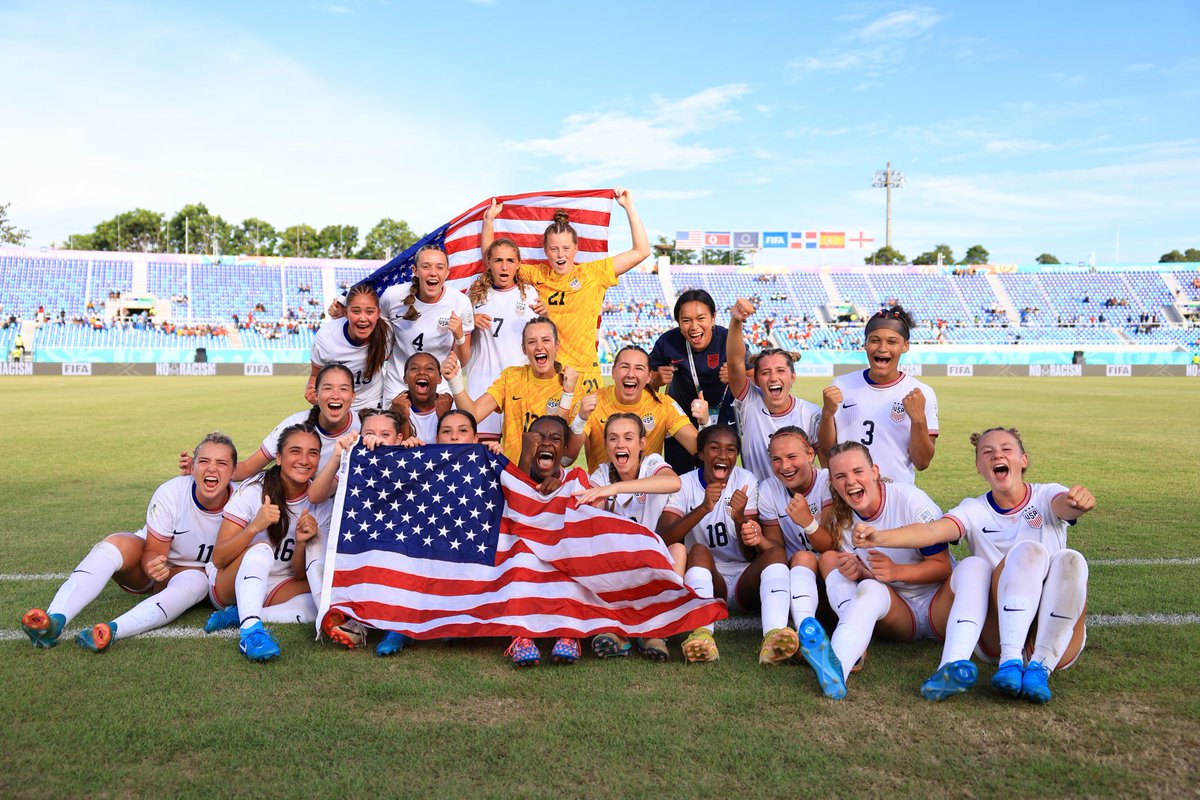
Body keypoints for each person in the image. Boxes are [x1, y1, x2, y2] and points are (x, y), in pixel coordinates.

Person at [852, 427, 1095, 703]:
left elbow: (1064, 506)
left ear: (1023, 460)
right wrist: (879, 536)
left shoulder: (1046, 494)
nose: (997, 456)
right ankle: (1011, 662)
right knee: (1029, 552)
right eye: (987, 452)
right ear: (979, 467)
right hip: (999, 634)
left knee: (1071, 560)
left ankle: (1041, 667)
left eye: (1006, 449)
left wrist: (1078, 503)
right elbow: (933, 532)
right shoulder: (975, 509)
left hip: (1053, 636)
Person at [21, 433, 237, 651]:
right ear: (192, 467)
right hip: (154, 562)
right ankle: (54, 619)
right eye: (204, 461)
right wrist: (152, 565)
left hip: (198, 575)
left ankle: (112, 630)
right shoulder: (171, 492)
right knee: (114, 544)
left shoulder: (245, 500)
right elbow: (153, 550)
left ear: (235, 471)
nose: (211, 468)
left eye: (221, 463)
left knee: (195, 583)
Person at [794, 442, 951, 700]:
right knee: (868, 587)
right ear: (832, 482)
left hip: (939, 605)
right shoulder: (842, 521)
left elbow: (943, 568)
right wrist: (862, 573)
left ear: (875, 471)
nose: (850, 481)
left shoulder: (909, 499)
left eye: (858, 471)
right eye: (840, 476)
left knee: (970, 568)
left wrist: (896, 571)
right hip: (900, 616)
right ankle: (837, 668)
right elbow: (878, 581)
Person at [482, 189, 651, 395]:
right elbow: (494, 261)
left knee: (584, 427)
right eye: (554, 249)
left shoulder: (593, 274)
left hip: (584, 374)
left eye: (565, 248)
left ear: (575, 249)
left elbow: (641, 251)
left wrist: (629, 207)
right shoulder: (536, 274)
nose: (560, 255)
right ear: (545, 251)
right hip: (549, 375)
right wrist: (489, 221)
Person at [657, 426, 796, 665]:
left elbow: (749, 552)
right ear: (700, 454)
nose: (723, 455)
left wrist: (740, 518)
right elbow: (663, 538)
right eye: (714, 448)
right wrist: (703, 508)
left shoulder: (745, 481)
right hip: (709, 578)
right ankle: (702, 635)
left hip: (745, 578)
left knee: (775, 553)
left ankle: (774, 635)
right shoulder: (685, 484)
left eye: (731, 450)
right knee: (698, 549)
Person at [204, 424, 332, 662]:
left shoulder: (320, 500)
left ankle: (241, 614)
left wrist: (303, 543)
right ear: (279, 457)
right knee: (262, 550)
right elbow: (219, 558)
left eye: (312, 453)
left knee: (322, 598)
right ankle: (250, 632)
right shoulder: (254, 489)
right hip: (229, 583)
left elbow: (299, 574)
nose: (304, 460)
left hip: (278, 583)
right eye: (295, 451)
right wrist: (255, 526)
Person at [573, 412, 684, 661]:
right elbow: (590, 521)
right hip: (618, 567)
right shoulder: (601, 474)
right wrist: (599, 500)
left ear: (641, 444)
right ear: (606, 445)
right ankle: (617, 631)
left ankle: (655, 631)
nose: (620, 444)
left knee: (678, 550)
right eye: (612, 438)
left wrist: (616, 488)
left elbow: (673, 482)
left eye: (628, 438)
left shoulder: (652, 463)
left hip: (652, 565)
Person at [503, 415, 589, 667]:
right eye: (538, 437)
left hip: (559, 557)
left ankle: (568, 634)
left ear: (564, 449)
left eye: (555, 439)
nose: (545, 443)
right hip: (524, 559)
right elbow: (513, 501)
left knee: (572, 568)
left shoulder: (575, 478)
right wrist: (525, 458)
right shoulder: (511, 473)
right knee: (521, 562)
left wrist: (561, 486)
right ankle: (522, 636)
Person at [818, 305, 938, 484]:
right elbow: (828, 451)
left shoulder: (920, 393)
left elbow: (922, 462)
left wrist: (918, 419)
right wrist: (827, 414)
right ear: (865, 344)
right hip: (850, 492)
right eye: (874, 340)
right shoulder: (841, 385)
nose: (882, 348)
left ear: (905, 346)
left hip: (896, 496)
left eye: (892, 342)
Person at [443, 317, 578, 461]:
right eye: (532, 342)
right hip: (512, 477)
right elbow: (473, 415)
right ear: (524, 349)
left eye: (546, 340)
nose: (539, 346)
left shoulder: (570, 385)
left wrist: (568, 394)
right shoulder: (511, 377)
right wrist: (454, 381)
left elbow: (566, 457)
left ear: (557, 345)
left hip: (547, 480)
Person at [727, 298, 821, 483]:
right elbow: (735, 362)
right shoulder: (750, 402)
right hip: (758, 505)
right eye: (765, 372)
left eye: (780, 371)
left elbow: (825, 462)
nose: (773, 378)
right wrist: (736, 321)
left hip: (798, 503)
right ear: (755, 379)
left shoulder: (811, 414)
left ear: (792, 376)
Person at [755, 427, 836, 639]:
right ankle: (805, 634)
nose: (785, 466)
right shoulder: (769, 489)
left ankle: (806, 632)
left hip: (833, 575)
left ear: (810, 455)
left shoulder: (828, 481)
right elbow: (776, 548)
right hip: (797, 578)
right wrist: (759, 539)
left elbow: (831, 545)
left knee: (814, 557)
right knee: (802, 557)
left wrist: (808, 522)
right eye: (776, 459)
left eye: (792, 457)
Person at [566, 345, 697, 472]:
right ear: (613, 372)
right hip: (602, 489)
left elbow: (698, 449)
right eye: (624, 367)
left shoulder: (664, 405)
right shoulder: (592, 403)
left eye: (639, 368)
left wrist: (704, 423)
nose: (630, 374)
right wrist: (581, 419)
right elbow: (566, 459)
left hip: (646, 491)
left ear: (649, 376)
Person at [649, 289, 736, 475]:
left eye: (701, 318)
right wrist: (656, 379)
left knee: (721, 477)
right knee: (682, 480)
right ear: (679, 324)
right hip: (681, 424)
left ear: (713, 318)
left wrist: (737, 376)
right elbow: (647, 380)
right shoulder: (668, 341)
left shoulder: (728, 340)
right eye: (686, 320)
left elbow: (752, 376)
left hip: (723, 419)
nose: (694, 326)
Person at [465, 237, 541, 444]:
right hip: (482, 386)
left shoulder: (531, 295)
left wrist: (547, 316)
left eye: (510, 260)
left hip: (519, 390)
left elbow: (541, 344)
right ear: (488, 262)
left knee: (517, 461)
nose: (504, 266)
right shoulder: (474, 295)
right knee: (481, 460)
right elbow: (460, 342)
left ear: (518, 263)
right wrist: (469, 321)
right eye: (498, 260)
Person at [377, 244, 474, 406]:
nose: (433, 272)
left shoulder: (461, 302)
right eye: (426, 266)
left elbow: (462, 361)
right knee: (394, 430)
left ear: (447, 273)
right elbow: (378, 338)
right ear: (415, 270)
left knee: (442, 431)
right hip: (398, 385)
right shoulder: (392, 297)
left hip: (439, 386)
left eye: (440, 267)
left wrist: (459, 336)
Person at [231, 364, 358, 480]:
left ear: (353, 396)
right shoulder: (294, 424)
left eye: (343, 389)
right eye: (328, 388)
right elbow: (246, 468)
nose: (335, 395)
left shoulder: (364, 428)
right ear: (316, 395)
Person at [307, 283, 391, 411]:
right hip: (337, 408)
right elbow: (315, 376)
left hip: (373, 407)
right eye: (356, 311)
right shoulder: (326, 338)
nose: (363, 318)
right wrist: (311, 390)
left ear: (378, 313)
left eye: (370, 312)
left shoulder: (387, 334)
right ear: (345, 313)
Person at [391, 352, 453, 445]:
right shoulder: (397, 408)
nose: (422, 372)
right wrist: (403, 419)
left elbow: (453, 449)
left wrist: (444, 417)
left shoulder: (451, 406)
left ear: (439, 379)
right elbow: (403, 453)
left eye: (429, 368)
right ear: (405, 379)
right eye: (414, 368)